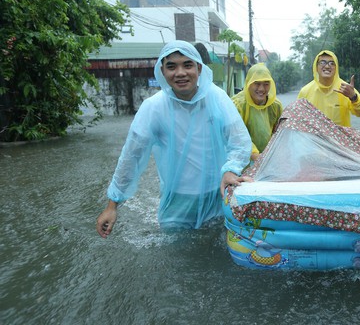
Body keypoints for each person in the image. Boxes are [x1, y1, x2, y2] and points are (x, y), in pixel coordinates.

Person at [96, 40, 252, 237]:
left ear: (199, 68)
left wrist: (231, 170)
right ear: (162, 70)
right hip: (176, 205)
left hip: (217, 198)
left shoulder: (217, 98)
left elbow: (239, 141)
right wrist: (112, 205)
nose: (180, 73)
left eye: (187, 65)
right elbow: (131, 157)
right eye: (172, 66)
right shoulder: (153, 108)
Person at [297, 50, 360, 127]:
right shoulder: (305, 91)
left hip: (339, 138)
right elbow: (297, 119)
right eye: (322, 62)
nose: (327, 66)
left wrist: (353, 97)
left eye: (332, 63)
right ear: (316, 67)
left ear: (336, 68)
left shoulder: (346, 89)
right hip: (313, 138)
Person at [232, 63, 283, 161]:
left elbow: (279, 133)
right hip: (242, 162)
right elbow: (237, 136)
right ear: (248, 83)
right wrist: (255, 156)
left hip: (268, 160)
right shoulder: (237, 105)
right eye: (257, 83)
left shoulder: (275, 105)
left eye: (266, 84)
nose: (261, 89)